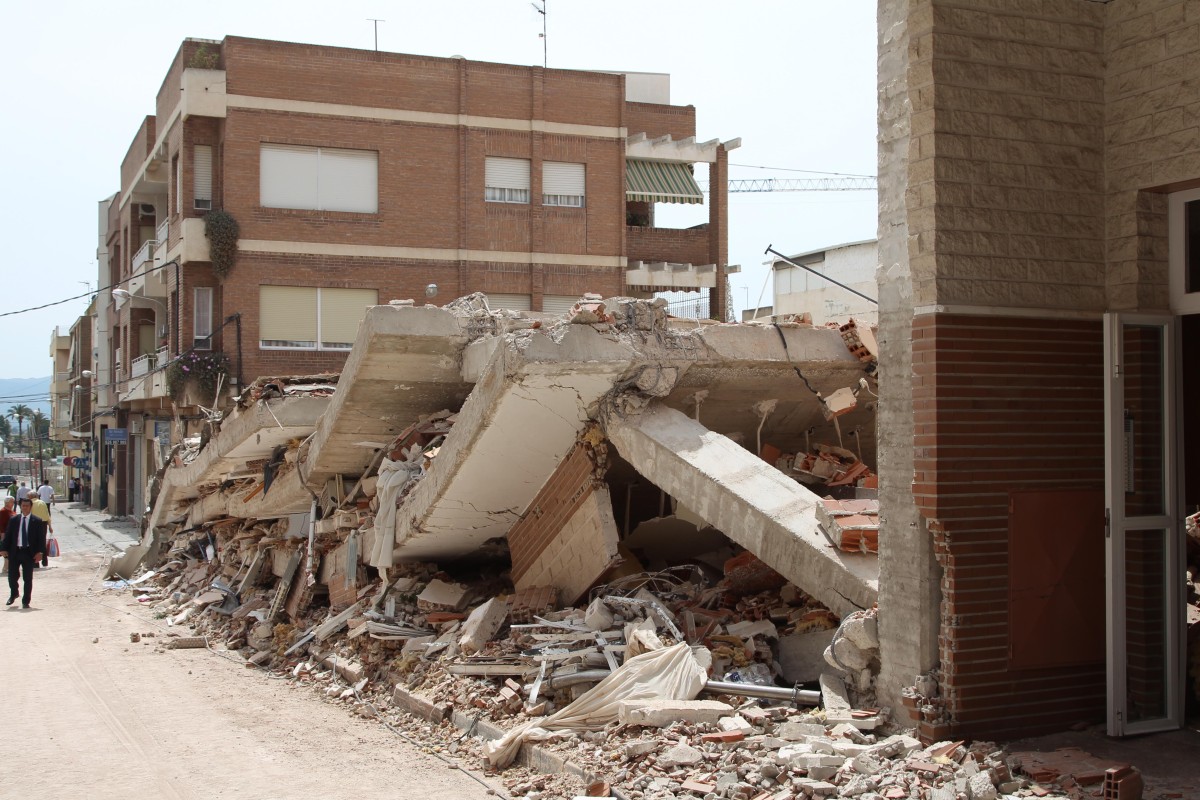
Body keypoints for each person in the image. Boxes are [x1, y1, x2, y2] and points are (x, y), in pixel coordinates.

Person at [1, 497, 46, 608]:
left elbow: (41, 538)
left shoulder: (37, 521)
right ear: (20, 507)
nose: (25, 508)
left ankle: (26, 601)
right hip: (15, 552)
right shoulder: (14, 520)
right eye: (23, 506)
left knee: (27, 578)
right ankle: (14, 593)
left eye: (27, 506)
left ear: (30, 507)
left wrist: (40, 552)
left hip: (28, 553)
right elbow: (8, 535)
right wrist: (2, 549)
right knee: (12, 576)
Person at [29, 494, 52, 568]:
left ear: (30, 497)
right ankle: (45, 561)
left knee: (33, 543)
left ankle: (35, 563)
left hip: (33, 524)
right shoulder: (42, 502)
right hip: (43, 524)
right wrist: (50, 526)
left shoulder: (29, 503)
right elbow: (47, 514)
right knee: (42, 542)